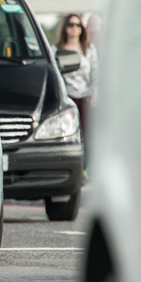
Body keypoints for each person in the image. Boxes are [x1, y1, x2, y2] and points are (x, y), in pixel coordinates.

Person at [53, 13, 98, 176]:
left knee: (87, 136)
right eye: (71, 25)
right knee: (69, 136)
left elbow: (95, 74)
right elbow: (54, 75)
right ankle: (68, 170)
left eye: (78, 25)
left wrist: (95, 95)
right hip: (66, 99)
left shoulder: (88, 50)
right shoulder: (56, 50)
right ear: (65, 28)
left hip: (85, 98)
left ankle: (85, 170)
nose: (74, 28)